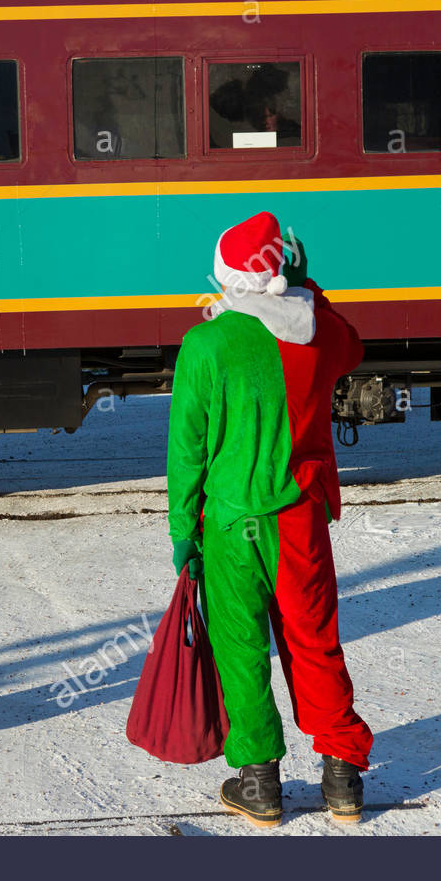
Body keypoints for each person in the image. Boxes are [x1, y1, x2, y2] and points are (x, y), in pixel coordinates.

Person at [166, 211, 374, 826]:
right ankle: (342, 775)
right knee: (314, 639)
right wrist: (313, 289)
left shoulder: (204, 343)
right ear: (284, 271)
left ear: (226, 276)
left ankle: (258, 783)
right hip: (299, 519)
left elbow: (187, 451)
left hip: (232, 524)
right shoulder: (314, 334)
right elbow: (353, 344)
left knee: (241, 646)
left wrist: (184, 533)